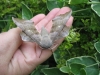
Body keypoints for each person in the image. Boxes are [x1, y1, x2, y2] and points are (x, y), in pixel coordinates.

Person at [0, 7, 73, 75]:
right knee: (61, 28)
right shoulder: (50, 42)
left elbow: (43, 47)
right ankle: (66, 16)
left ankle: (67, 16)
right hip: (49, 36)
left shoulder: (40, 42)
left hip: (41, 36)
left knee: (27, 31)